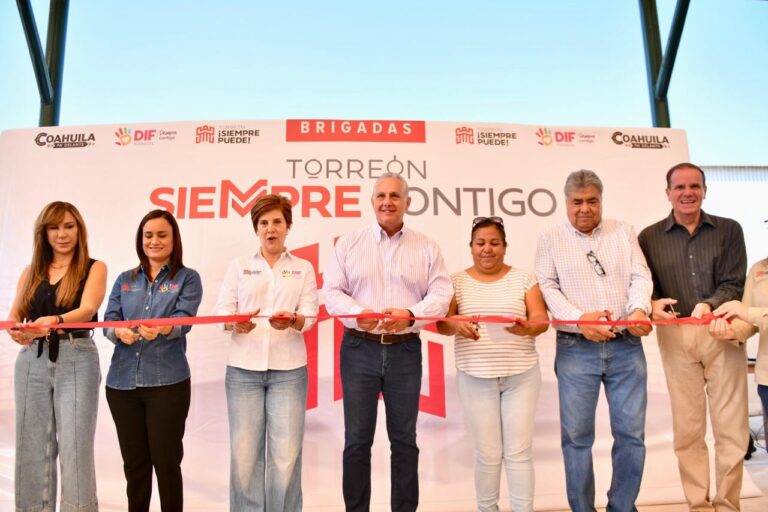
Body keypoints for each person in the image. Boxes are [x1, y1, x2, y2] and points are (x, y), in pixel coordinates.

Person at [323, 172, 453, 512]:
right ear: (372, 202)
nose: (387, 202)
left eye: (395, 196)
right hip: (358, 348)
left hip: (405, 351)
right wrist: (356, 312)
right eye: (381, 195)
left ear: (407, 203)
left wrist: (410, 315)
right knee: (357, 442)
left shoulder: (427, 246)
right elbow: (332, 292)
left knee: (405, 442)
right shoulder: (349, 244)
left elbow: (441, 294)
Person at [534, 170, 653, 512]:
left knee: (631, 436)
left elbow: (640, 275)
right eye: (577, 202)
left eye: (592, 201)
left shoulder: (623, 231)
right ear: (566, 202)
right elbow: (547, 286)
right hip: (575, 350)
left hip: (626, 344)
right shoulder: (550, 238)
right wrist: (578, 319)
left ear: (601, 200)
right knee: (576, 440)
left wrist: (638, 309)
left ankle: (622, 507)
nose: (584, 209)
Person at [638, 162, 748, 511]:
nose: (688, 193)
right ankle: (698, 505)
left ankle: (728, 503)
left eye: (695, 186)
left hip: (721, 331)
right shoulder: (648, 237)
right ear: (667, 192)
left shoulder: (729, 230)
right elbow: (644, 287)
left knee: (731, 427)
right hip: (676, 337)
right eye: (680, 187)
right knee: (688, 430)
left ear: (705, 190)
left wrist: (709, 305)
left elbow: (734, 282)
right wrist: (653, 304)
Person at [214, 194, 319, 511]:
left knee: (285, 457)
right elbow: (223, 311)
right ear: (255, 228)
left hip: (289, 372)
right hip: (243, 371)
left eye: (277, 222)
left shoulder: (303, 268)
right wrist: (236, 324)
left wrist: (295, 320)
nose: (270, 229)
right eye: (263, 223)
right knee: (245, 458)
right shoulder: (240, 266)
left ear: (288, 226)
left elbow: (310, 315)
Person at [436, 216, 548, 512]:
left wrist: (529, 327)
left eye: (494, 243)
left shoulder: (525, 277)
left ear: (505, 246)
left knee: (518, 453)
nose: (488, 249)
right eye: (481, 243)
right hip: (475, 377)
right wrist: (456, 325)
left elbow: (541, 319)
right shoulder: (456, 280)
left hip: (521, 376)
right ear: (471, 247)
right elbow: (443, 325)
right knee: (487, 454)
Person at [6, 201, 107, 512]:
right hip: (30, 360)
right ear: (43, 233)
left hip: (75, 356)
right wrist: (17, 331)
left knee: (76, 445)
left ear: (79, 230)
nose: (62, 234)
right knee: (31, 443)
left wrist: (56, 321)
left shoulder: (94, 267)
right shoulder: (30, 272)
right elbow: (14, 316)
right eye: (54, 227)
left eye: (69, 226)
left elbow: (88, 309)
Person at [103, 209, 203, 512]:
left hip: (167, 385)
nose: (154, 241)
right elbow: (108, 320)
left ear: (174, 239)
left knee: (166, 462)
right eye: (149, 235)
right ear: (140, 239)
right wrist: (118, 333)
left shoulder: (188, 278)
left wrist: (164, 326)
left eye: (162, 235)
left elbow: (185, 320)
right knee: (135, 465)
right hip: (121, 385)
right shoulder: (124, 279)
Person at [710, 252, 768, 452]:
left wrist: (748, 312)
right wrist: (730, 331)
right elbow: (748, 322)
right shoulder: (759, 269)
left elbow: (749, 312)